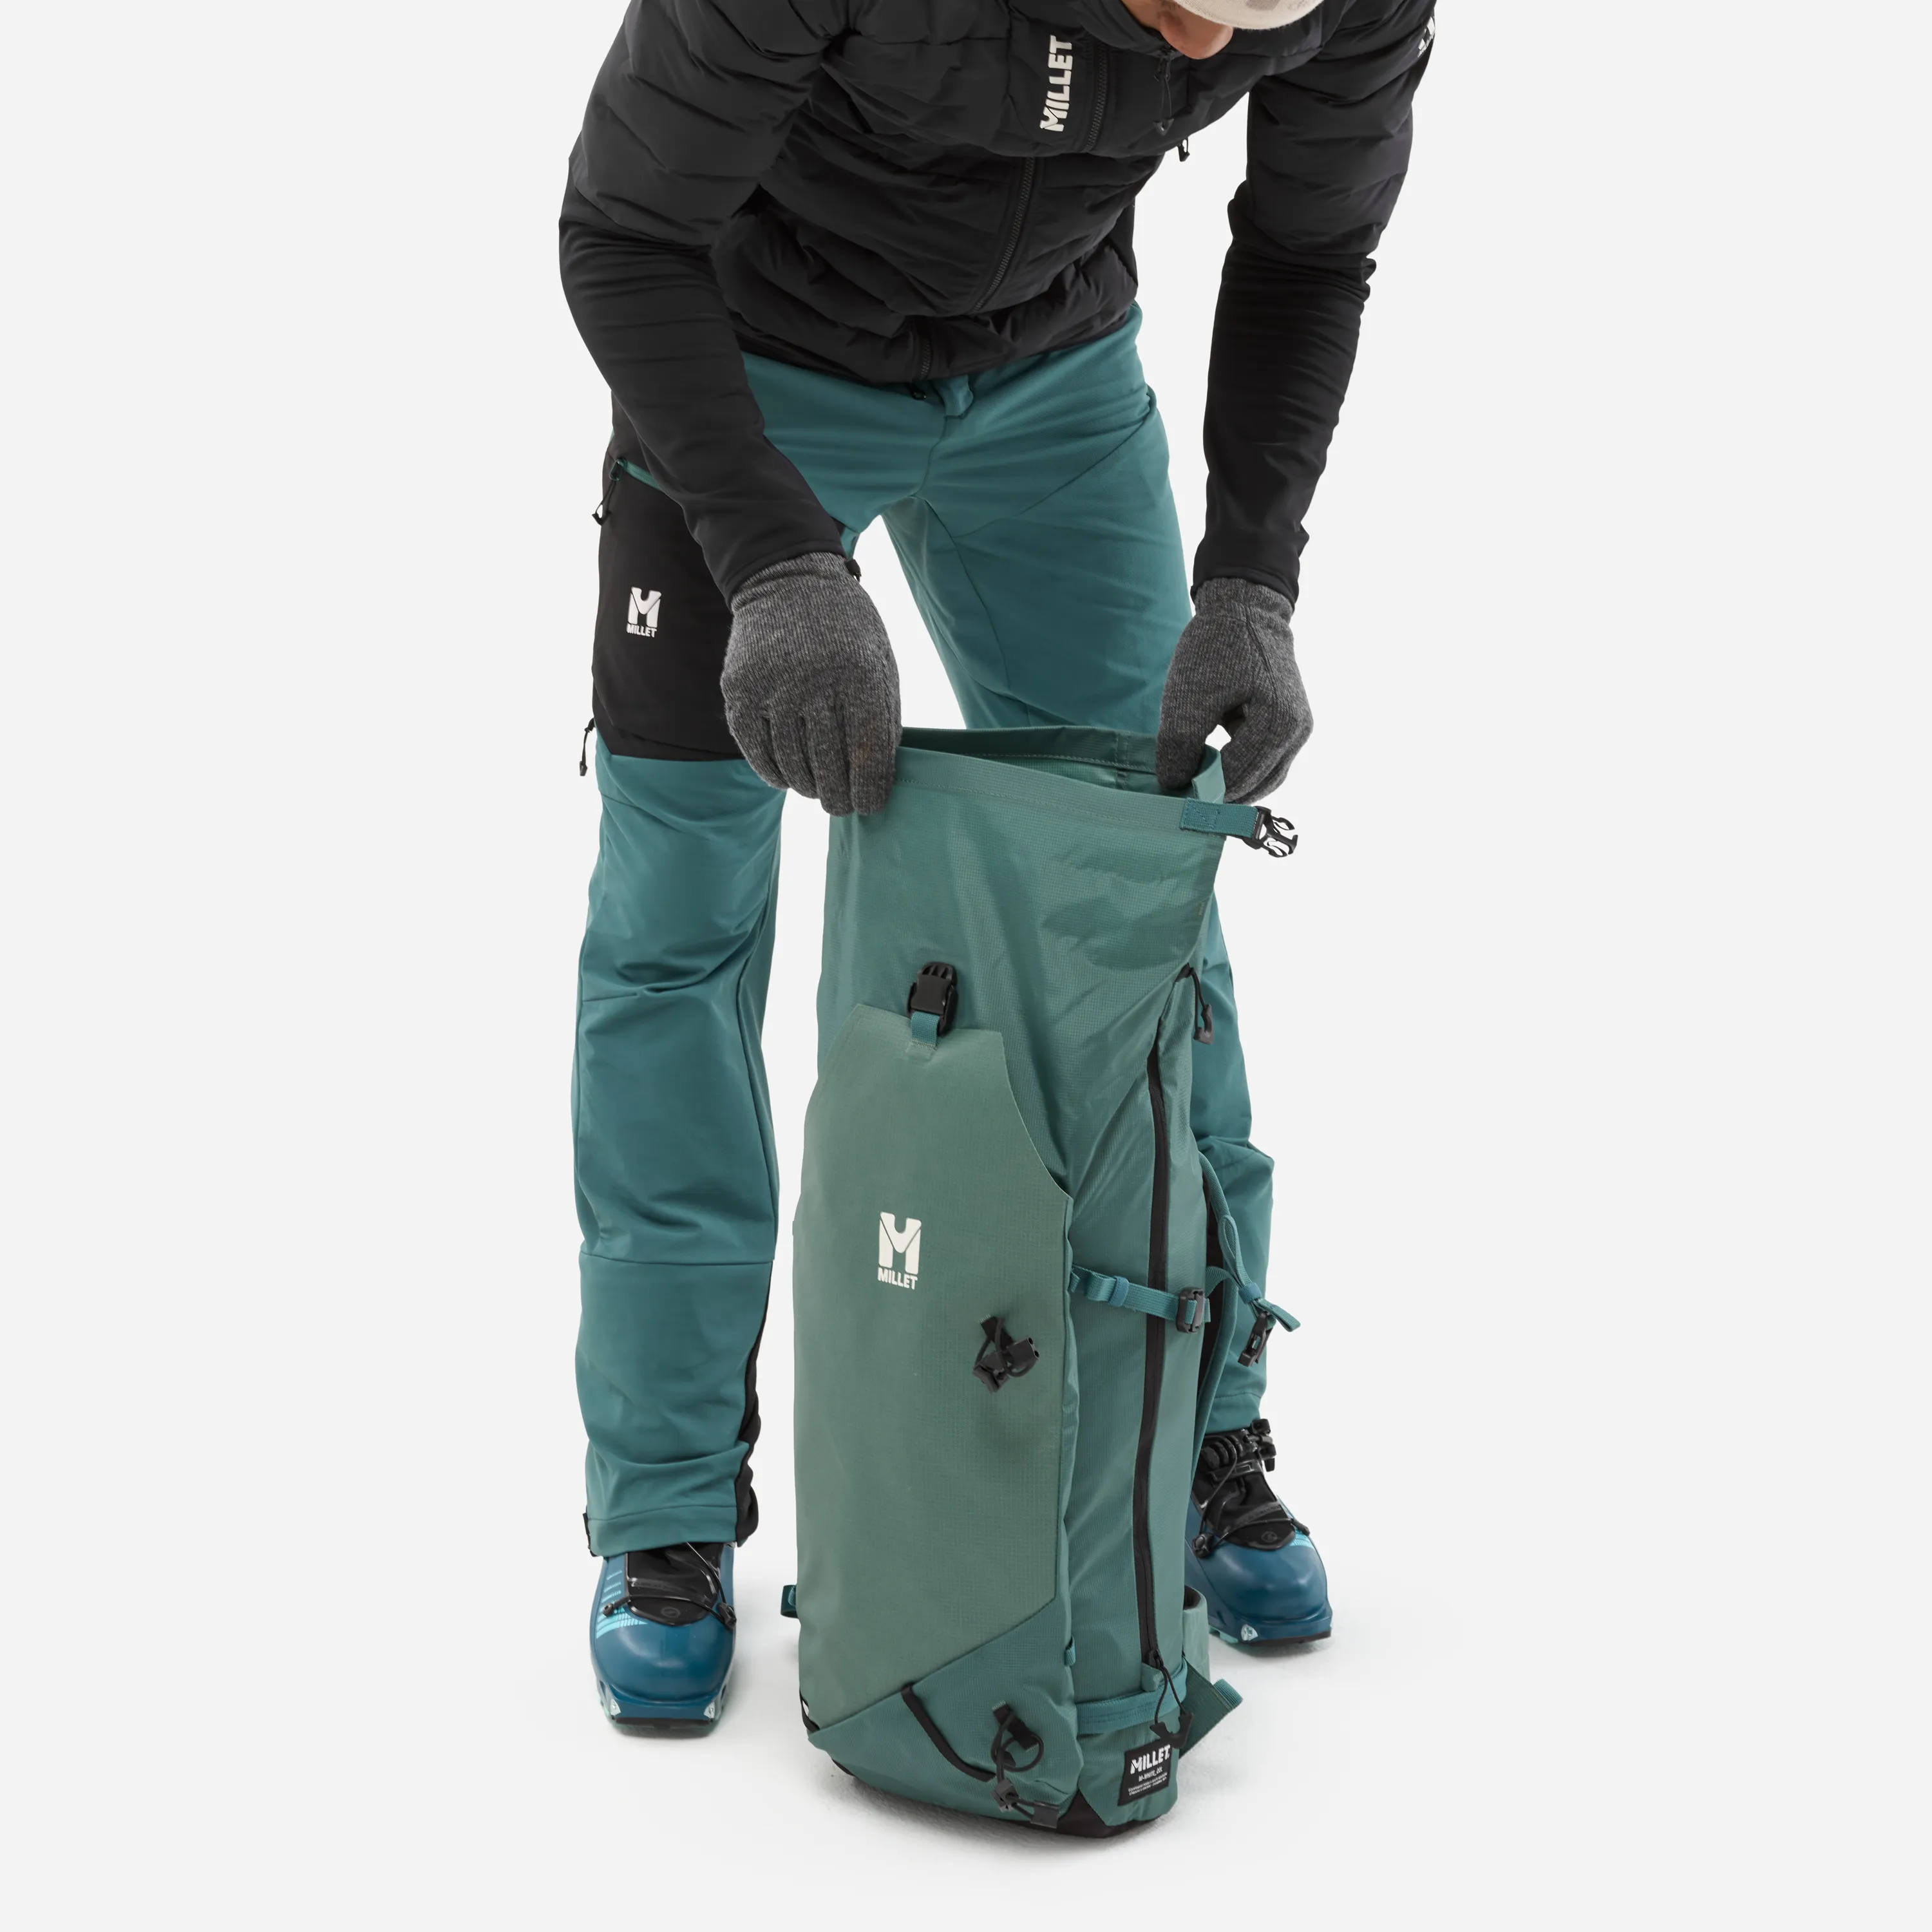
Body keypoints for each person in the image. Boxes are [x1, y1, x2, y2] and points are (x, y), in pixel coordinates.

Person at [561, 0, 1433, 1727]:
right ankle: (665, 1512)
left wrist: (1251, 578)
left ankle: (1202, 1428)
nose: (1218, 37)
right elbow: (620, 227)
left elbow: (1310, 248)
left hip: (1051, 378)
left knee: (1149, 887)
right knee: (679, 932)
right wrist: (776, 562)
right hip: (748, 369)